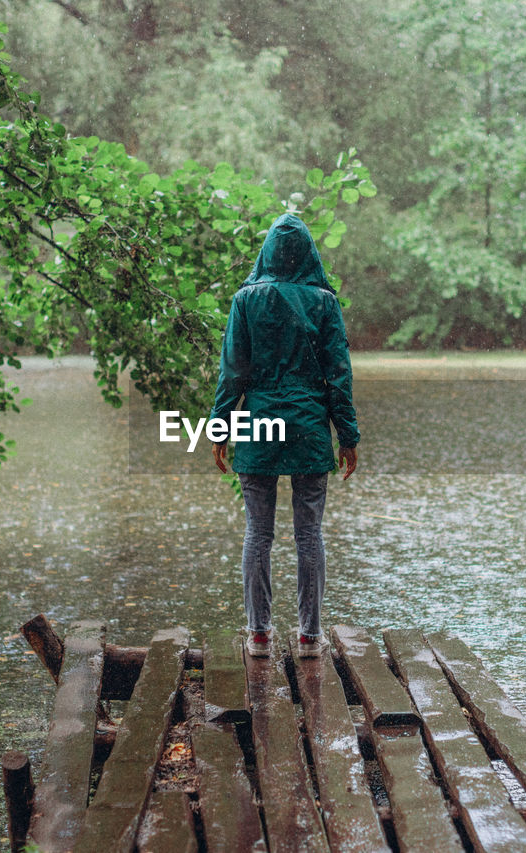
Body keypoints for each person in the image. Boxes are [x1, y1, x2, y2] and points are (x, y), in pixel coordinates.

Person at [210, 212, 359, 659]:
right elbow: (339, 376)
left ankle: (259, 635)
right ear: (308, 253)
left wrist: (220, 426)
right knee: (309, 534)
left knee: (258, 533)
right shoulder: (323, 302)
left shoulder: (245, 300)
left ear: (268, 252)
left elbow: (233, 372)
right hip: (310, 428)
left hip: (258, 426)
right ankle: (310, 638)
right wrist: (347, 436)